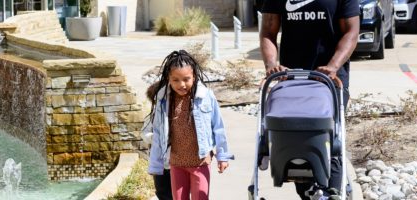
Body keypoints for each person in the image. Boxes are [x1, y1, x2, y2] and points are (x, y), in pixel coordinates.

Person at [259, 0, 360, 199]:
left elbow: (351, 32)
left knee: (329, 137)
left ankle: (333, 192)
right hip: (292, 82)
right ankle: (310, 193)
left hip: (330, 80)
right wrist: (272, 65)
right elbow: (268, 32)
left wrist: (333, 65)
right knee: (298, 146)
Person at [146, 50, 234, 200]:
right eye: (176, 80)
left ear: (194, 76)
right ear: (169, 79)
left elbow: (218, 127)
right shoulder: (164, 100)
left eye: (186, 79)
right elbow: (158, 133)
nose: (181, 84)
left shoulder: (205, 96)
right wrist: (155, 164)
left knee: (201, 197)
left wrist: (222, 156)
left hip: (200, 162)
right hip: (176, 163)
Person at [142, 81, 173, 200]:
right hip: (159, 161)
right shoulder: (153, 114)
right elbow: (144, 133)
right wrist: (155, 137)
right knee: (162, 191)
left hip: (176, 160)